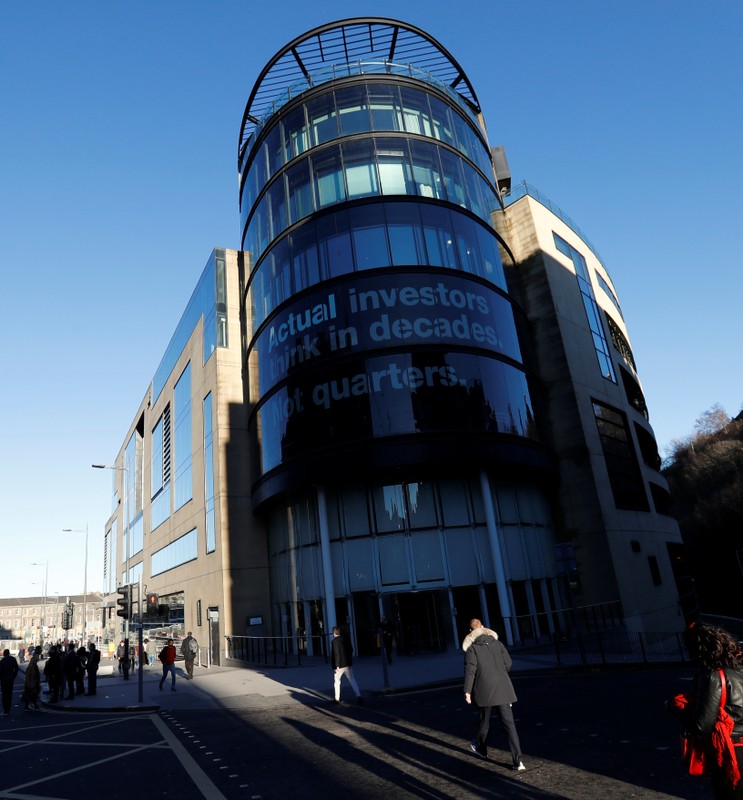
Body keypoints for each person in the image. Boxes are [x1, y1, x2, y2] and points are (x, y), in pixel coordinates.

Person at [669, 622, 743, 799]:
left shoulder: (713, 676)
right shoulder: (739, 669)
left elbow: (702, 724)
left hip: (732, 751)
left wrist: (679, 709)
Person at [463, 618, 525, 770]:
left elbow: (470, 671)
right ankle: (518, 761)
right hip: (503, 688)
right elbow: (508, 663)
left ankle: (481, 748)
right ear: (483, 627)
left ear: (471, 632)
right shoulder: (497, 643)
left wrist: (467, 691)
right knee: (509, 725)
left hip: (484, 690)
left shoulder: (473, 648)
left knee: (484, 722)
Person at [331, 626, 363, 705]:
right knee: (352, 679)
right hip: (347, 663)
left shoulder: (334, 641)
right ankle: (359, 695)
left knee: (337, 681)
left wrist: (337, 665)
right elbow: (351, 650)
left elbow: (336, 653)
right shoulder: (346, 639)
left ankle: (337, 698)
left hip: (340, 665)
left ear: (334, 633)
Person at [0, 649, 20, 716]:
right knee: (9, 694)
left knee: (4, 695)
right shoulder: (13, 659)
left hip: (4, 680)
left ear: (4, 654)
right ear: (9, 653)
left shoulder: (2, 660)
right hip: (11, 680)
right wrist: (13, 676)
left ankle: (6, 711)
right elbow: (17, 669)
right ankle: (8, 709)